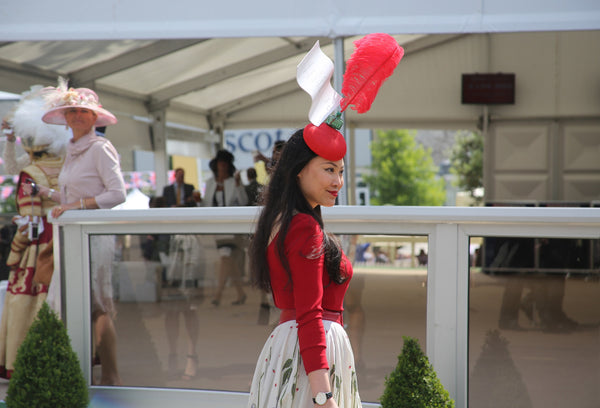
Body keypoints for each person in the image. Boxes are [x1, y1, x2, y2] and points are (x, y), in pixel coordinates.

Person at [247, 125, 361, 407]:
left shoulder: (284, 219)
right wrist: (324, 396)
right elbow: (310, 313)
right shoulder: (302, 226)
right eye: (328, 169)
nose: (338, 181)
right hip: (309, 358)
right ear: (299, 169)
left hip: (297, 351)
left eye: (341, 171)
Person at [37, 79, 126, 386]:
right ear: (65, 117)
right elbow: (77, 194)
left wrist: (76, 203)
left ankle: (110, 376)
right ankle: (82, 374)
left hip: (94, 236)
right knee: (74, 302)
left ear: (94, 118)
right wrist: (48, 193)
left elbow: (117, 194)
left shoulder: (100, 148)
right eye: (72, 110)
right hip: (73, 235)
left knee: (97, 304)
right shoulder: (74, 149)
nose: (77, 115)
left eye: (83, 111)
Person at [0, 87, 70, 379]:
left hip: (39, 246)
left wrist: (14, 252)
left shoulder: (32, 173)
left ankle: (29, 365)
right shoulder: (67, 165)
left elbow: (29, 224)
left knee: (27, 300)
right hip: (66, 240)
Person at [200, 149, 248, 306]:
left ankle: (217, 295)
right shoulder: (210, 183)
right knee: (230, 262)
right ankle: (241, 294)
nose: (222, 167)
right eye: (220, 164)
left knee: (225, 257)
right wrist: (198, 200)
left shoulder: (233, 182)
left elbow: (243, 202)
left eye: (225, 164)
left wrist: (239, 185)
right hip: (217, 226)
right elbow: (206, 205)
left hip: (231, 226)